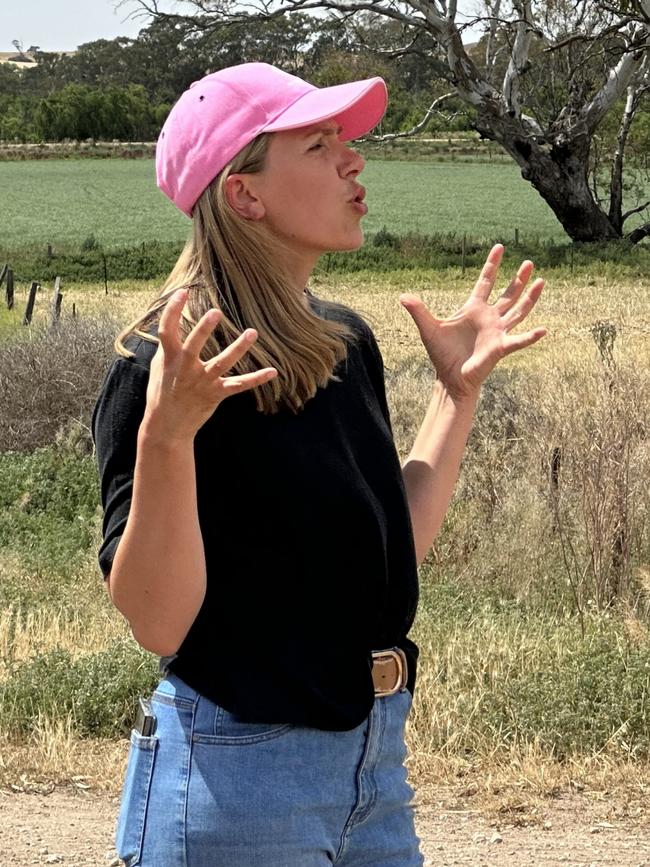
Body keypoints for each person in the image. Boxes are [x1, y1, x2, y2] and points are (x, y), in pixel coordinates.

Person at [92, 61, 546, 867]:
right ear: (245, 195)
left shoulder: (340, 342)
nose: (354, 159)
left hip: (373, 764)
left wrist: (455, 395)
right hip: (236, 779)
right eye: (319, 143)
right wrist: (167, 438)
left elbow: (392, 550)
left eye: (345, 140)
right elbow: (158, 622)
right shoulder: (160, 367)